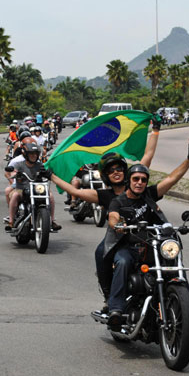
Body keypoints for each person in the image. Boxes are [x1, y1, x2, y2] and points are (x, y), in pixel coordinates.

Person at [47, 117, 162, 306]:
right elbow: (75, 191)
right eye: (111, 171)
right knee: (101, 253)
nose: (116, 172)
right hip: (117, 237)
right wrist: (51, 176)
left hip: (144, 235)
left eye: (119, 169)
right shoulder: (104, 195)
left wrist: (156, 131)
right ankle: (110, 296)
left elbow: (147, 157)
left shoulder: (135, 184)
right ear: (106, 176)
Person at [105, 137, 189, 330]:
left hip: (153, 245)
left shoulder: (149, 195)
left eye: (143, 180)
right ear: (129, 181)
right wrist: (120, 224)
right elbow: (113, 217)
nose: (140, 183)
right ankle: (115, 309)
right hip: (129, 246)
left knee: (176, 265)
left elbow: (172, 178)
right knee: (122, 262)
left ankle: (188, 310)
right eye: (136, 179)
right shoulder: (119, 200)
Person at [4, 142, 62, 232]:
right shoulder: (19, 164)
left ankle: (52, 221)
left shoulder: (39, 165)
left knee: (50, 196)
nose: (34, 156)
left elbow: (47, 172)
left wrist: (48, 172)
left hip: (37, 188)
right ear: (26, 154)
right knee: (15, 195)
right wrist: (15, 174)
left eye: (35, 154)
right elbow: (11, 172)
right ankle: (11, 221)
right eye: (31, 154)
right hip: (21, 189)